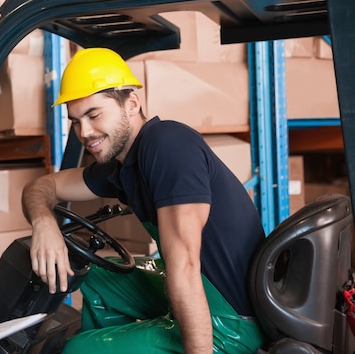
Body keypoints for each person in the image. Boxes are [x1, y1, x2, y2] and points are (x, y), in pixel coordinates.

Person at [22, 47, 267, 353]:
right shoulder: (121, 165)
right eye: (75, 121)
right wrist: (44, 223)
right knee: (95, 276)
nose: (84, 132)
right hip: (201, 288)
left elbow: (186, 267)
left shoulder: (166, 146)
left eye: (94, 114)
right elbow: (41, 187)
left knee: (76, 351)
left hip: (231, 323)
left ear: (132, 103)